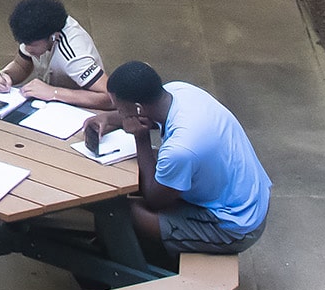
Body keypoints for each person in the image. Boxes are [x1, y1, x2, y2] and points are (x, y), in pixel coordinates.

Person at [100, 60, 271, 254]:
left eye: (120, 110)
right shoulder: (179, 91)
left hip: (235, 224)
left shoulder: (180, 150)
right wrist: (106, 119)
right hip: (246, 194)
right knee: (139, 177)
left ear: (138, 108)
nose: (119, 114)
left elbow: (154, 200)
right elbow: (151, 118)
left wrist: (141, 137)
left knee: (118, 212)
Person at [0, 0, 113, 110]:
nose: (28, 50)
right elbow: (21, 65)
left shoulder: (74, 55)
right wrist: (5, 76)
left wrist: (54, 93)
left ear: (54, 36)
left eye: (33, 45)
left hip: (82, 111)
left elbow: (110, 97)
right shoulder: (34, 34)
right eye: (24, 44)